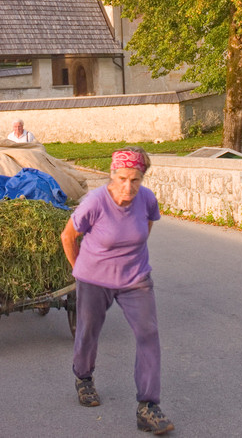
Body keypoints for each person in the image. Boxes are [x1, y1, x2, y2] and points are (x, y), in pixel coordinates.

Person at [61, 147, 174, 435]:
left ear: (142, 178)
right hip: (94, 279)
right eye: (123, 178)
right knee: (88, 331)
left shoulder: (146, 199)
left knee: (148, 335)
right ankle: (83, 378)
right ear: (112, 175)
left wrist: (130, 257)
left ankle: (148, 406)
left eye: (135, 180)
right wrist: (81, 272)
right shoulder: (95, 202)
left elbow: (145, 228)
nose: (128, 186)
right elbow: (68, 236)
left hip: (135, 278)